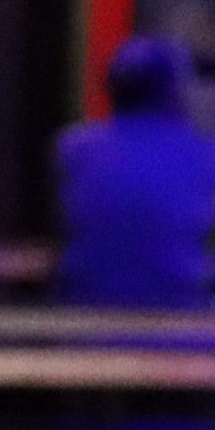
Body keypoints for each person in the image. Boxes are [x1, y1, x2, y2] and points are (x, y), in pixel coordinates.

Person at [53, 33, 215, 309]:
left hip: (86, 321)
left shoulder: (72, 148)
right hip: (185, 319)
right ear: (174, 89)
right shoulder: (204, 154)